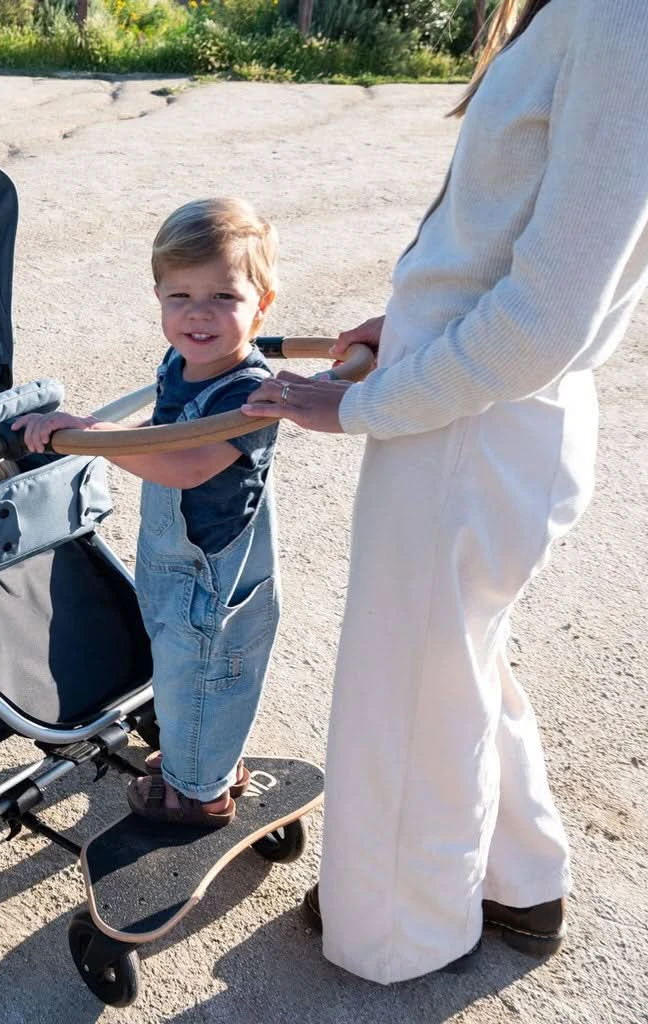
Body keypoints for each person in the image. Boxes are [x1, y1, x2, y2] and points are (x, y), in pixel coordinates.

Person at [241, 0, 648, 984]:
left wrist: (361, 406)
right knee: (450, 661)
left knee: (406, 687)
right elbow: (504, 238)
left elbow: (543, 316)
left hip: (474, 427)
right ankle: (518, 879)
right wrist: (406, 322)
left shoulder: (619, 18)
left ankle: (397, 928)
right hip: (476, 412)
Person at [14, 197, 282, 828]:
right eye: (180, 296)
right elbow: (163, 434)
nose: (198, 314)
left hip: (214, 573)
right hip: (181, 557)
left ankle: (197, 795)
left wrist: (90, 434)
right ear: (158, 296)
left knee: (204, 668)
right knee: (186, 671)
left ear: (262, 304)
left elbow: (185, 465)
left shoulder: (247, 391)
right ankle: (208, 761)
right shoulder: (181, 363)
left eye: (223, 296)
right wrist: (96, 431)